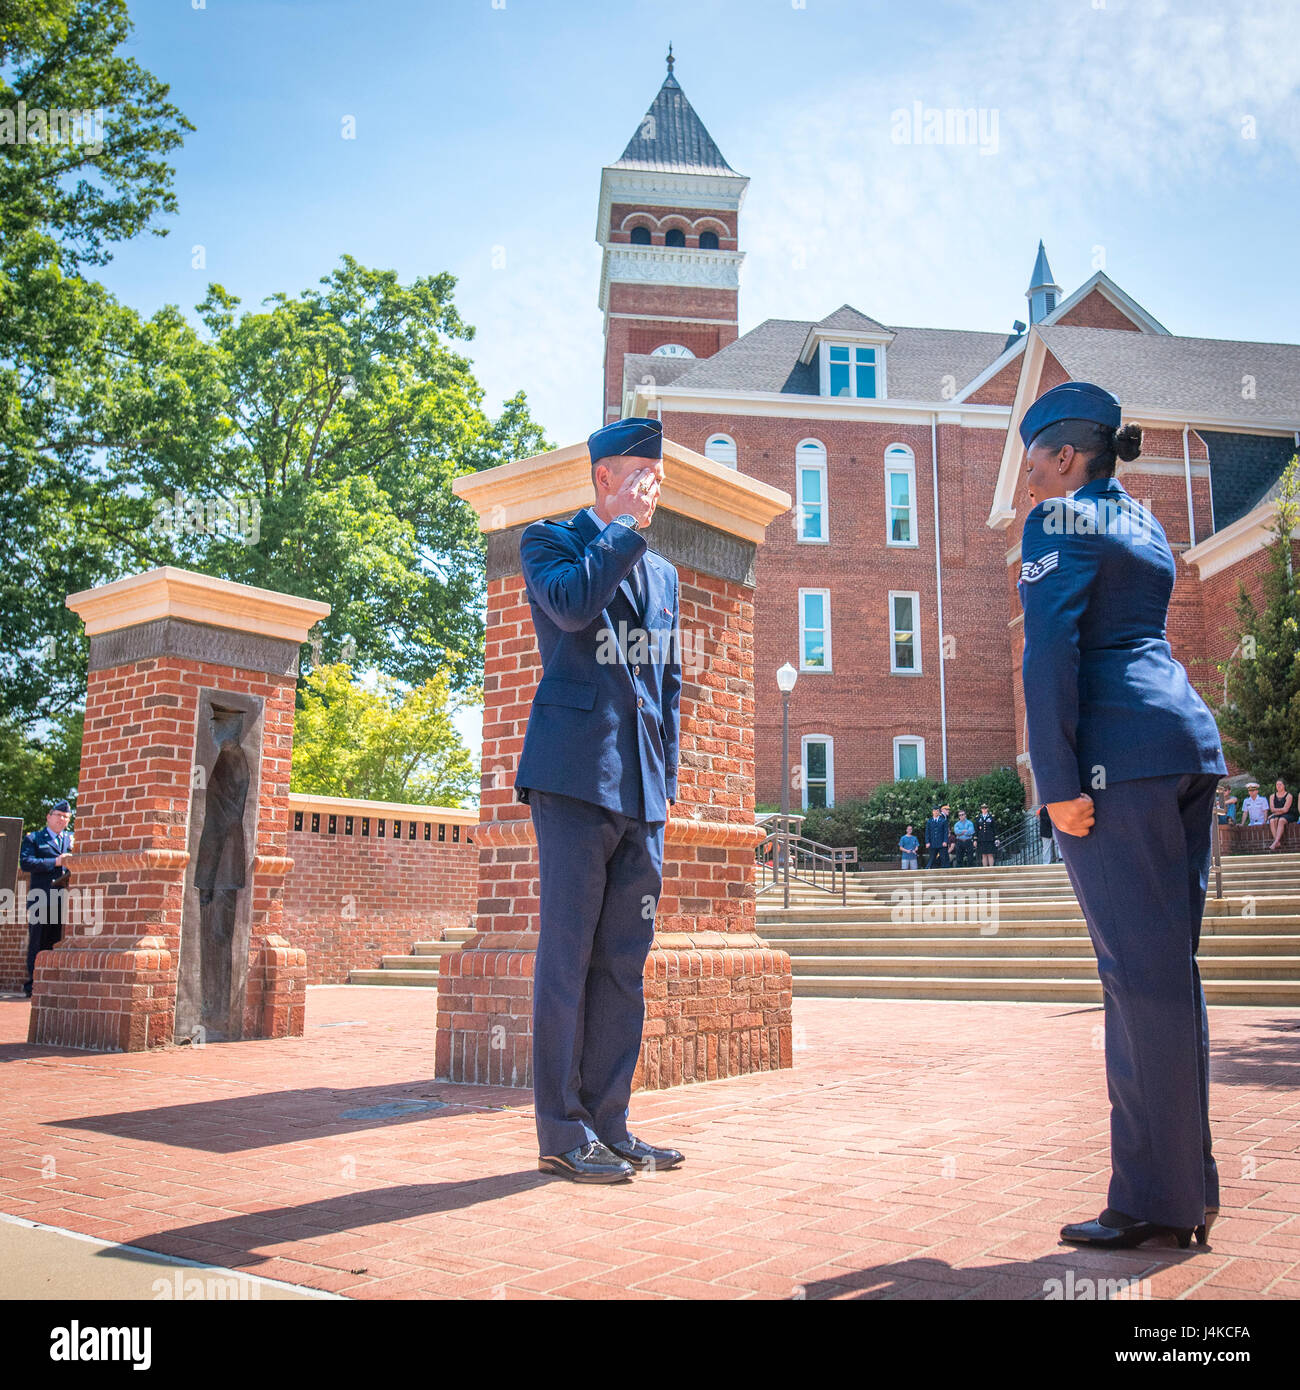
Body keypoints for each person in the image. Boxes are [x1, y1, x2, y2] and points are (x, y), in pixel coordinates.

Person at [1018, 380, 1227, 1250]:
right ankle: (1168, 1191)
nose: (1027, 478)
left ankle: (1163, 1202)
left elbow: (1049, 654)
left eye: (1034, 459)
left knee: (1136, 977)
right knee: (1166, 975)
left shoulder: (1057, 523)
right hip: (1183, 747)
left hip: (1117, 767)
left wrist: (1056, 782)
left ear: (1066, 455)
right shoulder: (1144, 522)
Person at [515, 415, 684, 1184]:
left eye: (656, 478)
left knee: (623, 963)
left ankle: (611, 1123)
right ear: (602, 480)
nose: (649, 490)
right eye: (636, 476)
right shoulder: (549, 542)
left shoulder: (665, 574)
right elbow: (575, 608)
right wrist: (619, 531)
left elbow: (666, 685)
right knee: (567, 959)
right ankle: (561, 1131)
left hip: (642, 793)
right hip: (574, 779)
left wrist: (668, 781)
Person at [19, 797, 73, 998]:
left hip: (63, 899)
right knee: (38, 943)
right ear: (48, 816)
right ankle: (33, 985)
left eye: (66, 817)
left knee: (55, 943)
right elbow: (26, 863)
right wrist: (56, 861)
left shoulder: (70, 839)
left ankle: (51, 984)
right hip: (41, 898)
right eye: (59, 815)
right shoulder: (34, 839)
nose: (62, 820)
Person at [1266, 778, 1292, 852]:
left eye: (1280, 784)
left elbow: (1286, 810)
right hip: (1276, 814)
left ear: (1284, 785)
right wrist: (1279, 810)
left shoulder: (1288, 795)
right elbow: (1272, 809)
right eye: (1277, 784)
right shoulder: (1272, 796)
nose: (1278, 786)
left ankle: (1275, 842)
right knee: (1272, 820)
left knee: (1281, 820)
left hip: (1287, 814)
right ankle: (1277, 842)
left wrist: (1275, 812)